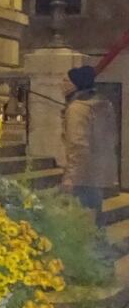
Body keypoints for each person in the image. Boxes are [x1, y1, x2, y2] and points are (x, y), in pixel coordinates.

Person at [61, 65, 118, 215]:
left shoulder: (77, 109)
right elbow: (112, 137)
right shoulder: (104, 104)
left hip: (82, 177)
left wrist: (70, 178)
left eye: (66, 81)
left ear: (76, 84)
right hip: (99, 171)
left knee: (81, 220)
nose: (62, 84)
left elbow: (78, 145)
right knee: (95, 216)